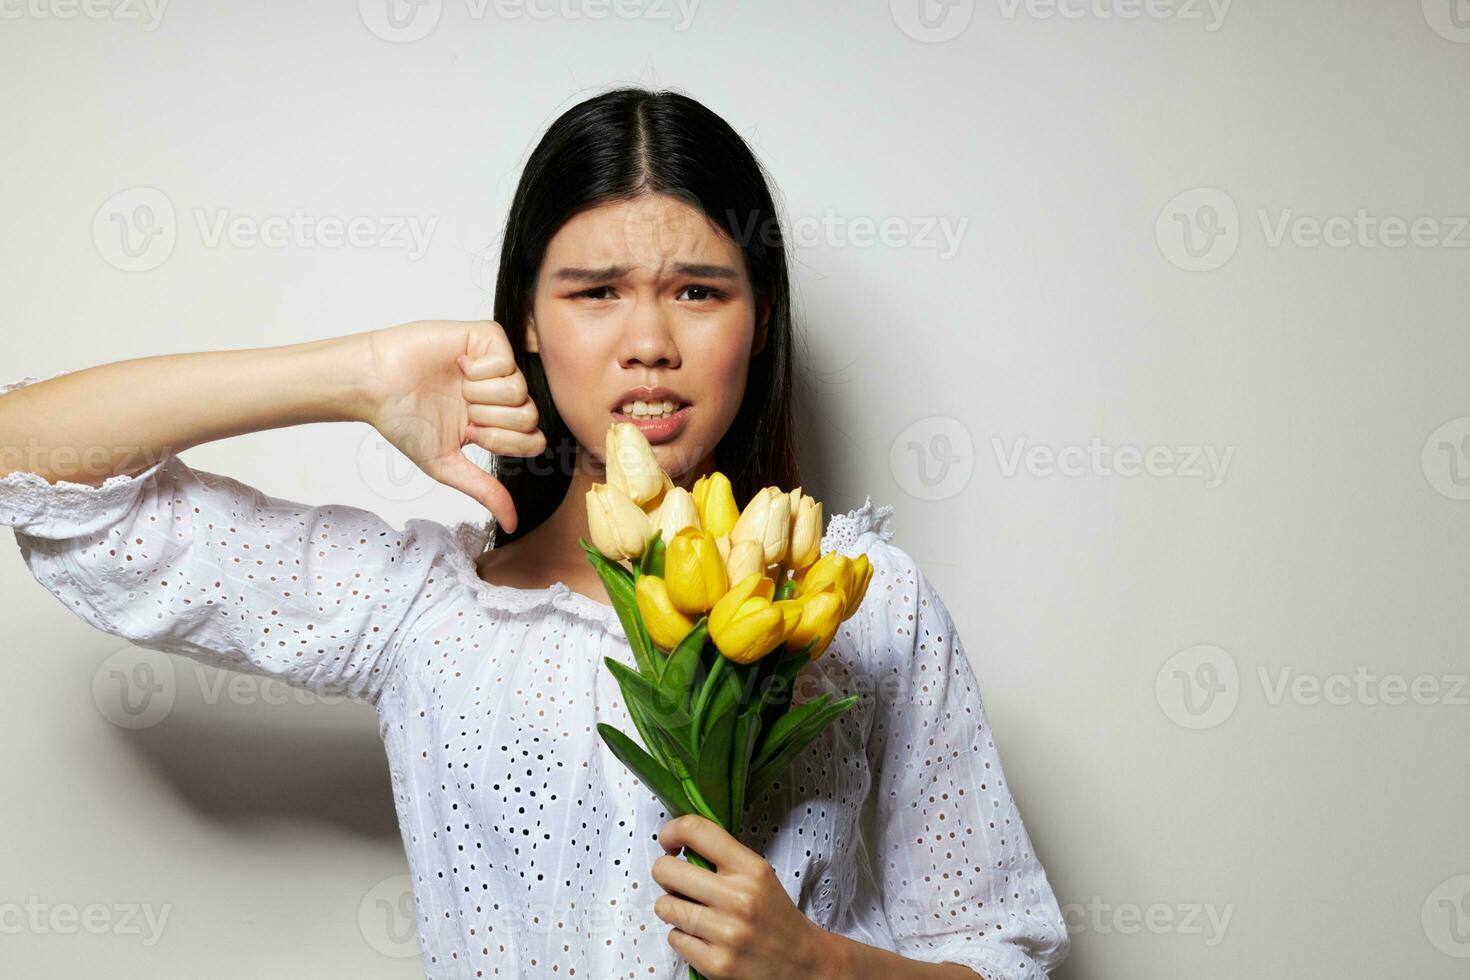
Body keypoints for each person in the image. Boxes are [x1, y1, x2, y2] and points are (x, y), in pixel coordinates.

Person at [0, 87, 1069, 980]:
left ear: (760, 318)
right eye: (596, 292)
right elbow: (25, 455)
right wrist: (358, 375)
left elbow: (1002, 948)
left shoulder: (861, 597)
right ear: (528, 324)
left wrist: (815, 961)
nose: (649, 342)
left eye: (700, 290)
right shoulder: (424, 607)